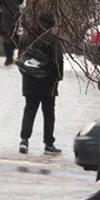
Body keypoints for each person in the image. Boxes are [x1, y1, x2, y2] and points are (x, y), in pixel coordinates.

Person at [17, 11, 64, 155]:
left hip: (30, 81)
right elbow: (58, 62)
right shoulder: (52, 39)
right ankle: (49, 143)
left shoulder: (25, 36)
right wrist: (58, 78)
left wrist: (26, 74)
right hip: (48, 83)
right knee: (48, 113)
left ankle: (24, 140)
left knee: (30, 109)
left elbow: (20, 59)